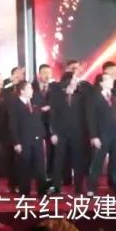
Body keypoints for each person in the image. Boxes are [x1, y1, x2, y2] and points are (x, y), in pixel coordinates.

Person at [48, 64, 88, 194]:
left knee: (78, 160)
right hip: (61, 133)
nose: (76, 82)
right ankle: (56, 187)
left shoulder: (81, 96)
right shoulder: (57, 95)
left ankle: (79, 188)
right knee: (59, 160)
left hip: (77, 133)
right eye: (74, 80)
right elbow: (52, 115)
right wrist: (53, 132)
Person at [86, 74, 116, 196]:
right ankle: (91, 188)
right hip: (103, 133)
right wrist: (93, 136)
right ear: (101, 83)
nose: (111, 81)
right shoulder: (94, 97)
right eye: (108, 80)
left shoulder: (115, 95)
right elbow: (91, 117)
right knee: (98, 161)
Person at [8, 82, 46, 196]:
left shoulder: (34, 103)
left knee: (40, 166)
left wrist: (42, 136)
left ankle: (42, 191)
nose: (32, 90)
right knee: (24, 167)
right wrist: (16, 142)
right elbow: (13, 125)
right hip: (24, 141)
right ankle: (24, 192)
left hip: (37, 140)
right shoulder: (15, 105)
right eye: (29, 88)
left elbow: (38, 121)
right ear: (22, 91)